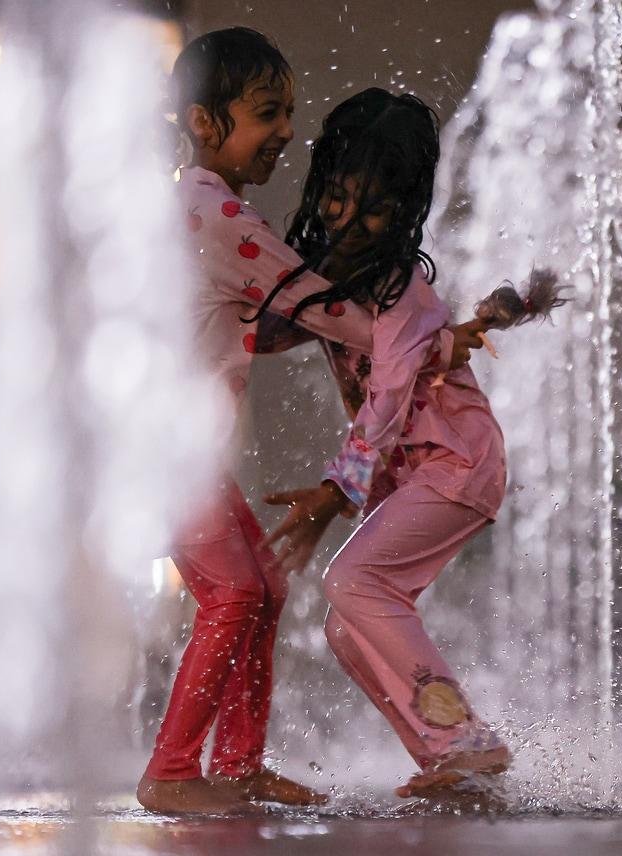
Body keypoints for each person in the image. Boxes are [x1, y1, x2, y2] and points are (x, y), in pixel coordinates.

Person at [140, 29, 478, 815]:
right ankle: (171, 771)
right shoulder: (215, 213)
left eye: (288, 111)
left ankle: (236, 766)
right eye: (267, 113)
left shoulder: (198, 207)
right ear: (204, 122)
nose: (286, 130)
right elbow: (319, 307)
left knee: (259, 585)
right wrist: (423, 331)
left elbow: (281, 316)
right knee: (234, 594)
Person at [259, 88, 516, 800]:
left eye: (377, 208)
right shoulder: (332, 276)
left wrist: (335, 491)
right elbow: (275, 329)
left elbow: (391, 394)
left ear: (404, 212)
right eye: (340, 197)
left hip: (458, 465)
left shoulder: (398, 289)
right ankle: (445, 758)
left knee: (352, 584)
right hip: (420, 474)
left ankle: (468, 743)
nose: (353, 220)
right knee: (348, 625)